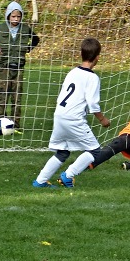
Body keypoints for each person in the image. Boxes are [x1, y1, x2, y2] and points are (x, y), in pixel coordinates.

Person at [32, 37, 110, 188]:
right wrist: (103, 120)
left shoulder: (73, 72)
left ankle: (40, 181)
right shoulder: (92, 77)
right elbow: (93, 104)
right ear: (97, 57)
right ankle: (68, 175)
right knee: (95, 151)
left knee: (62, 152)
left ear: (81, 54)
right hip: (74, 119)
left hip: (60, 115)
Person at [0, 1, 40, 133]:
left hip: (19, 67)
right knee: (2, 95)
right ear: (8, 16)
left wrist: (28, 48)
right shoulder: (1, 27)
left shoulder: (25, 29)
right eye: (13, 16)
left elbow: (36, 39)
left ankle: (15, 125)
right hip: (4, 67)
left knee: (17, 97)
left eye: (18, 17)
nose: (15, 19)